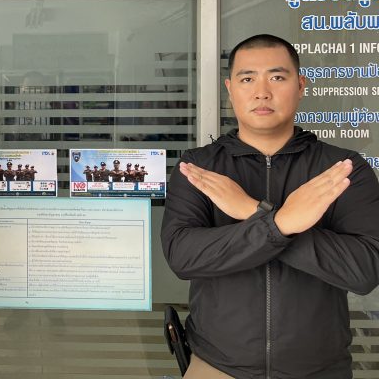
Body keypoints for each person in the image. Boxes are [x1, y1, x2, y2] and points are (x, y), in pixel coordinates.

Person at [162, 34, 379, 379]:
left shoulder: (342, 170)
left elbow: (364, 270)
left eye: (277, 77)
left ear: (301, 85)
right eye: (248, 79)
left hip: (319, 370)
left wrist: (254, 212)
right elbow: (183, 257)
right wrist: (281, 224)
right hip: (216, 366)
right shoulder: (199, 168)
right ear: (230, 89)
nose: (262, 92)